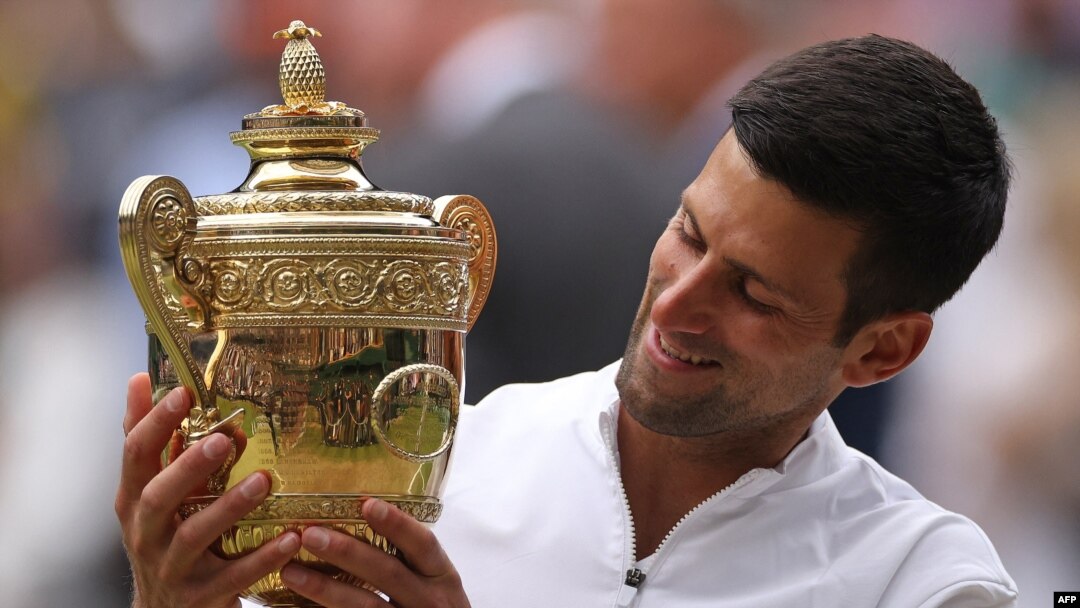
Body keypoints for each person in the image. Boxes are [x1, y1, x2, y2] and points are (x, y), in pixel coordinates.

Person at [116, 35, 1017, 607]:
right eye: (688, 233)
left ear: (883, 349)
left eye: (754, 295)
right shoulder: (439, 469)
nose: (677, 302)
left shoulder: (924, 581)